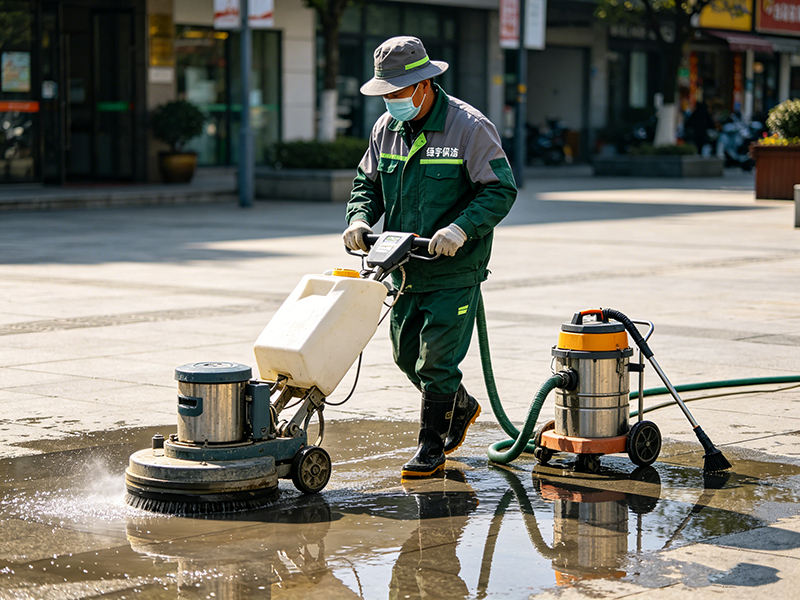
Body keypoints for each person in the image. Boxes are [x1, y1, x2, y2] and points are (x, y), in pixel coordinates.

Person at [342, 36, 517, 478]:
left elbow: (500, 188)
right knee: (406, 357)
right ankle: (457, 405)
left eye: (397, 93)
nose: (390, 102)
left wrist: (461, 228)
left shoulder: (469, 128)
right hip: (402, 267)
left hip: (454, 268)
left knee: (436, 362)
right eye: (385, 94)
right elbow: (367, 185)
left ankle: (430, 445)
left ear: (424, 85)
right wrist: (359, 219)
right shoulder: (385, 130)